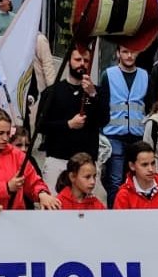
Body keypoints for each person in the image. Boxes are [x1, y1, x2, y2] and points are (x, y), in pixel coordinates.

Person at [38, 44, 108, 192]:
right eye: (77, 59)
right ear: (69, 61)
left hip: (87, 163)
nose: (82, 64)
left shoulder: (98, 92)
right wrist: (68, 124)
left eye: (86, 60)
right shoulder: (52, 92)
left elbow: (104, 120)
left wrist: (93, 95)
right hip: (58, 161)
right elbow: (41, 126)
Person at [0, 109, 61, 211]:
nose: (5, 138)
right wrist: (6, 188)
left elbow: (33, 182)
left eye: (8, 133)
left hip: (14, 219)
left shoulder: (17, 155)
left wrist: (42, 193)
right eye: (0, 133)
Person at [100, 45, 149, 199]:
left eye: (132, 51)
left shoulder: (145, 75)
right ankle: (114, 216)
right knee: (115, 181)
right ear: (118, 53)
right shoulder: (108, 75)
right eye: (125, 52)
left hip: (137, 136)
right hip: (114, 135)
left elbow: (149, 103)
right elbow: (103, 104)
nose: (129, 55)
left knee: (137, 180)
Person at [112, 142, 158, 210]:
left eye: (153, 163)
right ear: (132, 166)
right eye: (144, 165)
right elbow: (119, 222)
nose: (151, 169)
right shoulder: (124, 195)